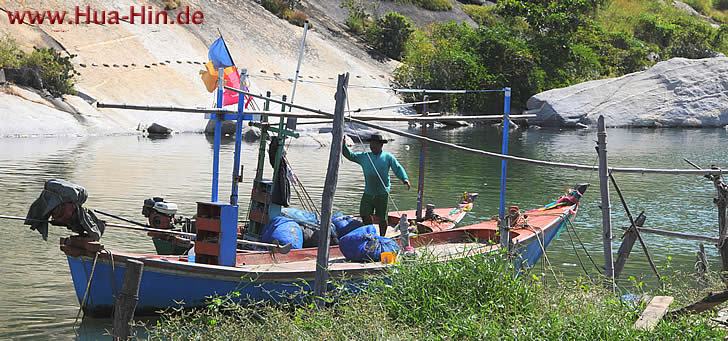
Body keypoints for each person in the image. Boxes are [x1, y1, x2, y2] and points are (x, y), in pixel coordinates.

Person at [342, 133, 410, 236]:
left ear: (381, 145)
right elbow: (350, 155)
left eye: (375, 144)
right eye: (371, 144)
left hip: (382, 193)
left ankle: (382, 236)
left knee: (382, 217)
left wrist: (404, 178)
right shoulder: (365, 157)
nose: (372, 146)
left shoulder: (387, 157)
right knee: (364, 213)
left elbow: (397, 168)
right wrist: (343, 145)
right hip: (369, 192)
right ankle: (371, 233)